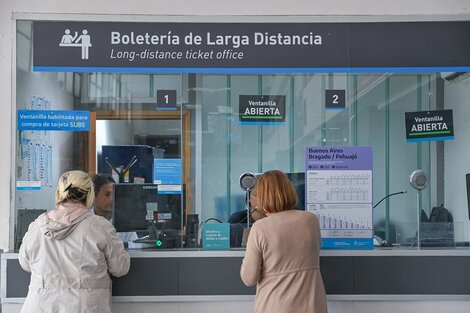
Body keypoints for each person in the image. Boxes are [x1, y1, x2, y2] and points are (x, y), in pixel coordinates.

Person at [19, 170, 130, 313]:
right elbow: (121, 268)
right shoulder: (100, 227)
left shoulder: (37, 225)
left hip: (39, 306)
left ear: (59, 193)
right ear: (90, 195)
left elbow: (24, 263)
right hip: (85, 307)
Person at [240, 170, 328, 313]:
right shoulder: (311, 220)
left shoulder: (260, 228)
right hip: (312, 306)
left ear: (263, 196)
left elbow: (249, 278)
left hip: (275, 306)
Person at [92, 173, 139, 245]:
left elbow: (135, 246)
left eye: (114, 194)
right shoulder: (85, 219)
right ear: (94, 196)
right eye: (107, 194)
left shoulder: (123, 220)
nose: (112, 199)